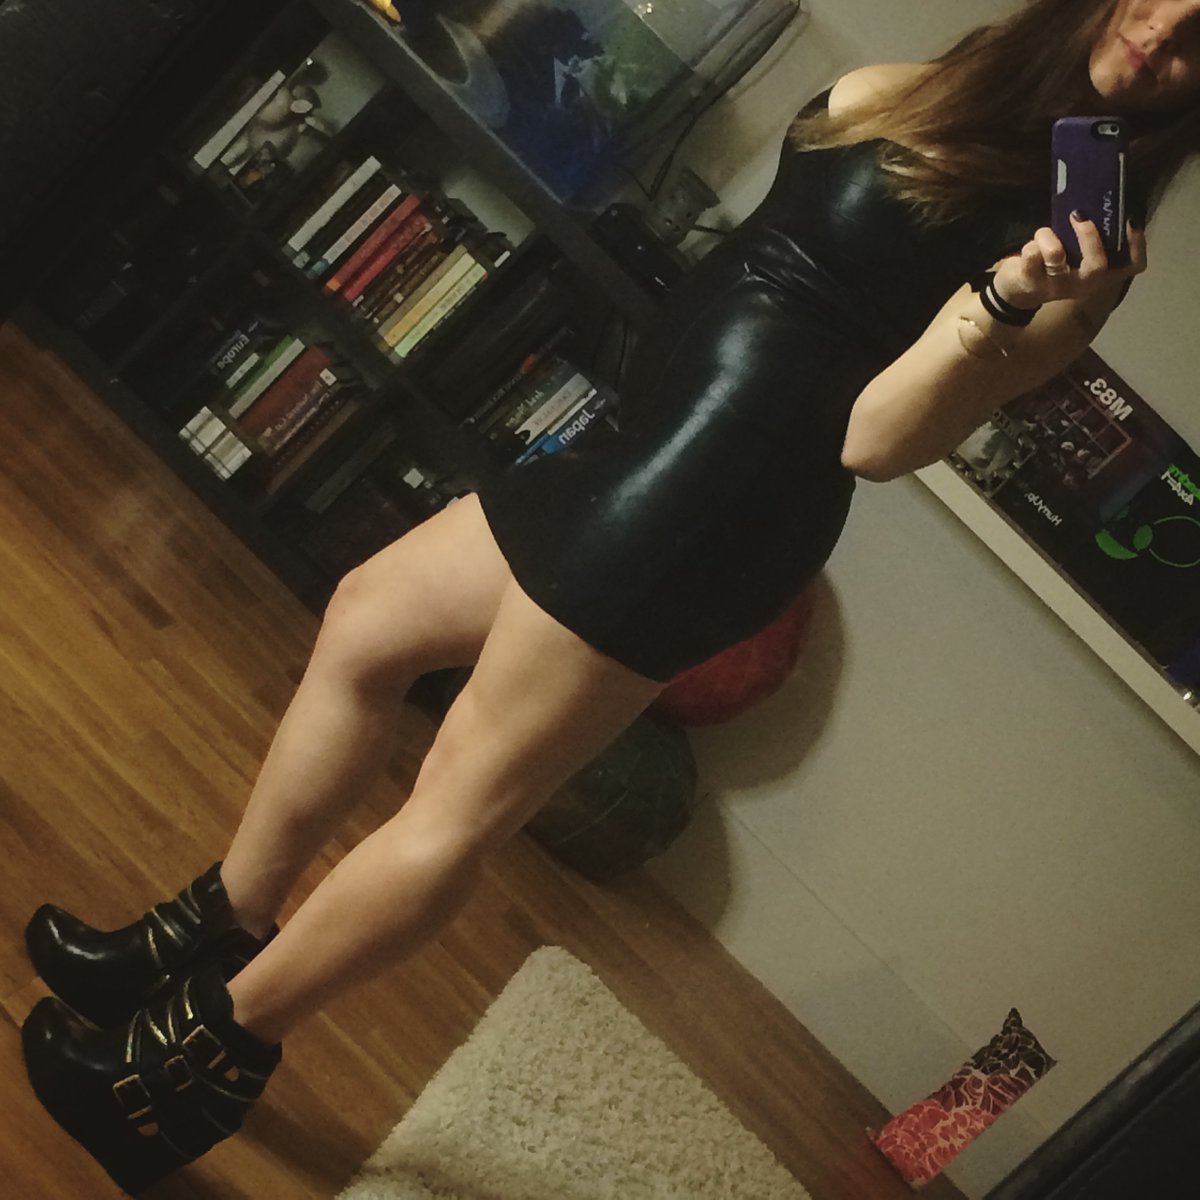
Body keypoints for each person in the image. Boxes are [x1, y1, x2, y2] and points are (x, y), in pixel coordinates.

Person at [20, 1, 1200, 1192]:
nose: (1164, 31)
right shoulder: (954, 97)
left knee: (461, 800)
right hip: (645, 441)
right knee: (369, 622)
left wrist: (1009, 293)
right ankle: (216, 926)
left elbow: (878, 439)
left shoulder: (1076, 261)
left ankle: (187, 1068)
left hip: (712, 501)